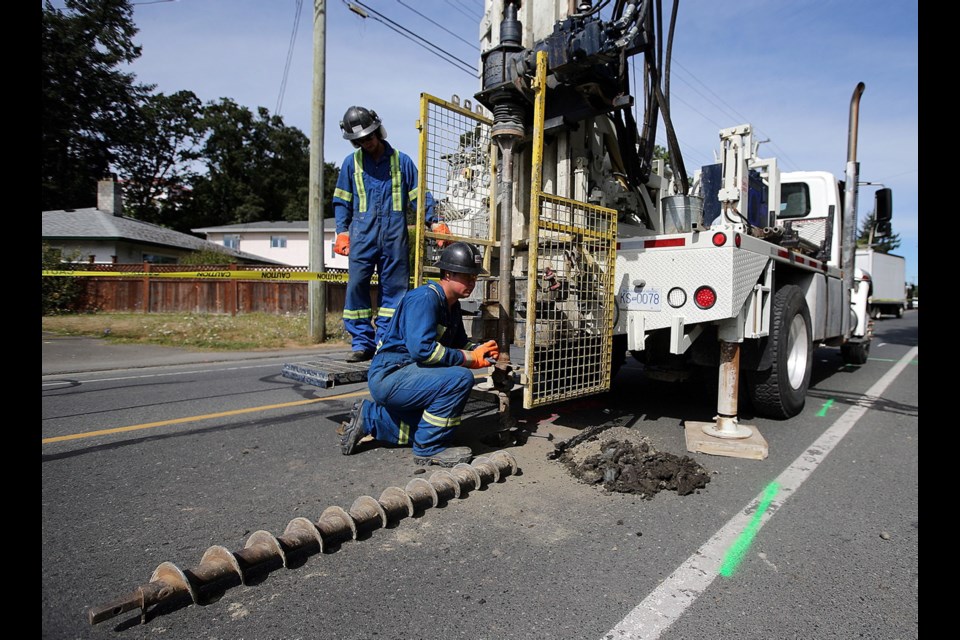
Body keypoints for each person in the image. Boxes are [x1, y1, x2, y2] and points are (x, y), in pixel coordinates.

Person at [338, 242, 499, 467]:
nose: (472, 282)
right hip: (391, 374)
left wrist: (481, 351)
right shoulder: (425, 298)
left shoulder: (451, 305)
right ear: (448, 273)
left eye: (474, 277)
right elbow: (422, 350)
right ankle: (429, 449)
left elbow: (459, 343)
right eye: (467, 276)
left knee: (431, 427)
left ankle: (369, 418)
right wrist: (470, 359)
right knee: (460, 378)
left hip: (410, 373)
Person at [332, 105, 450, 362]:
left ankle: (385, 342)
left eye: (369, 136)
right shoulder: (351, 164)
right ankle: (361, 343)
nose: (366, 142)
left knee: (395, 291)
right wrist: (341, 232)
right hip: (362, 236)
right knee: (357, 287)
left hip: (394, 237)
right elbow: (342, 201)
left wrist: (435, 221)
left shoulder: (402, 161)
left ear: (378, 131)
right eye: (360, 140)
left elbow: (419, 196)